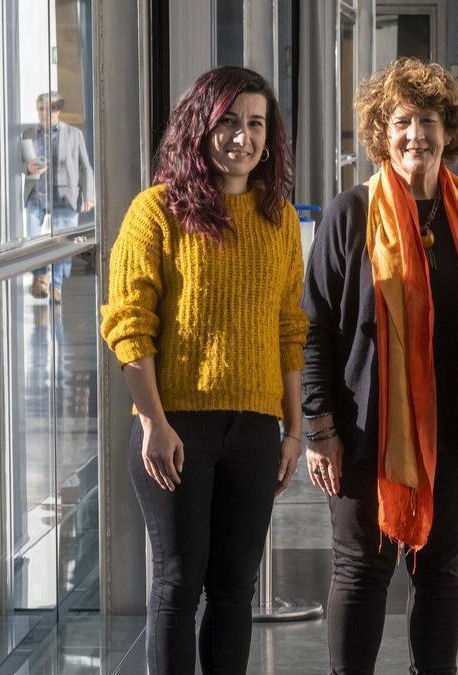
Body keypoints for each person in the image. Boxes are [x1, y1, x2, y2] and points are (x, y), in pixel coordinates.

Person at [99, 66, 305, 675]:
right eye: (229, 122)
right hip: (176, 428)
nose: (242, 137)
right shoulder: (156, 211)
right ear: (201, 126)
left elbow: (289, 330)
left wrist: (292, 432)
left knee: (235, 588)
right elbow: (129, 324)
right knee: (179, 581)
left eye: (256, 124)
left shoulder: (279, 220)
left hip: (255, 431)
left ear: (270, 137)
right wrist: (153, 423)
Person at [302, 57, 458, 675]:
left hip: (454, 431)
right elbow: (313, 328)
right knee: (362, 570)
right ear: (382, 133)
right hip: (367, 431)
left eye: (430, 120)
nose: (417, 133)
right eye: (403, 120)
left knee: (441, 569)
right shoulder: (351, 214)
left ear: (451, 132)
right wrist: (320, 429)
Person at [22, 91, 95, 304]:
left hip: (65, 197)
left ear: (59, 110)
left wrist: (89, 195)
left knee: (63, 245)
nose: (46, 113)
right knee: (35, 240)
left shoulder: (74, 134)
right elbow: (18, 162)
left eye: (51, 108)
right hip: (37, 195)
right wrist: (28, 166)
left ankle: (55, 285)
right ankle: (40, 277)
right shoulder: (28, 134)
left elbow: (85, 167)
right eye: (42, 109)